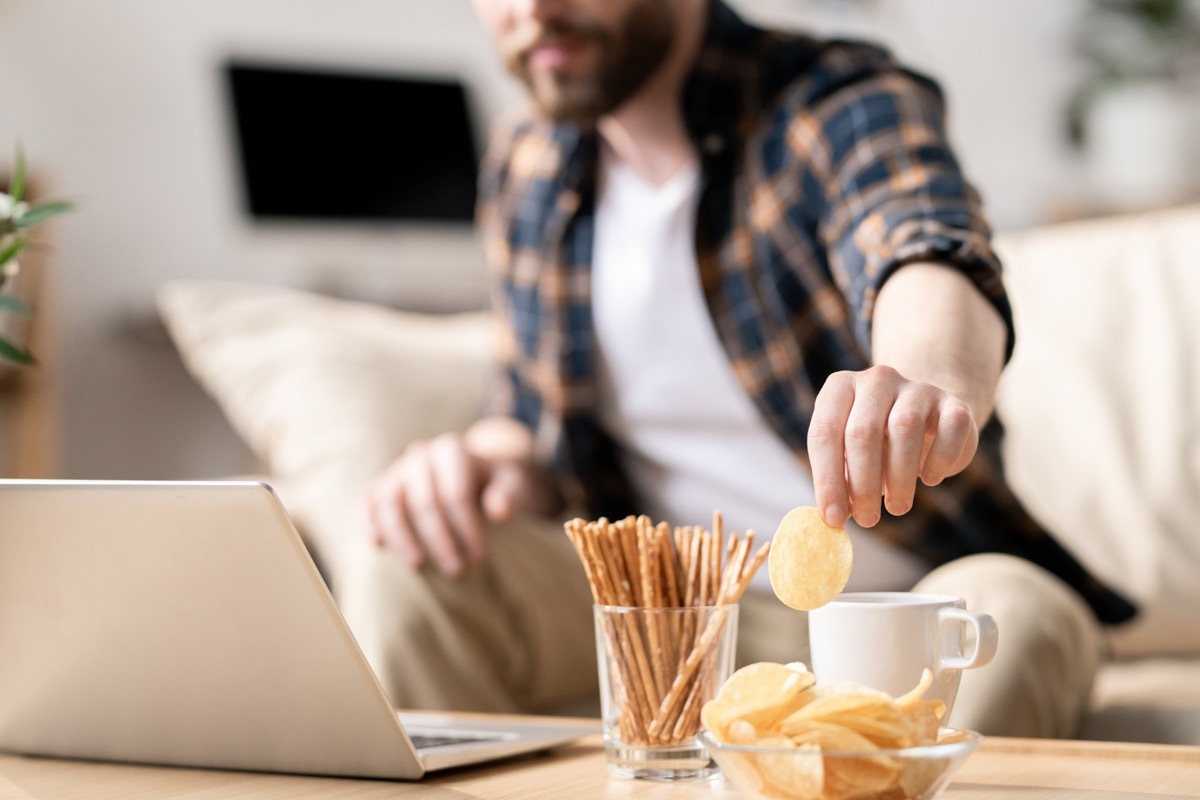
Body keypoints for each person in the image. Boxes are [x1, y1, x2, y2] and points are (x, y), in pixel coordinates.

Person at [342, 0, 1136, 737]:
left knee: (1020, 617)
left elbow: (920, 242)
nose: (534, 10)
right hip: (667, 612)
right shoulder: (527, 164)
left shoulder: (837, 97)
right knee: (409, 571)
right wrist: (483, 461)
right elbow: (529, 426)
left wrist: (919, 377)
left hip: (902, 598)